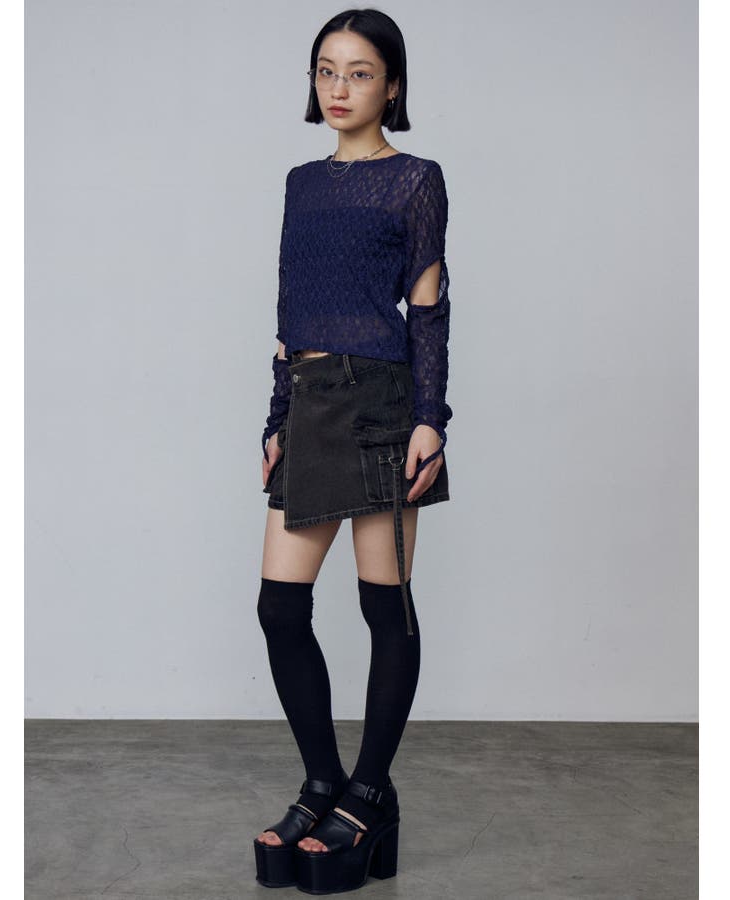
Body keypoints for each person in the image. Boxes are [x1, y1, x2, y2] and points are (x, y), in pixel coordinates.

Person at [252, 8, 453, 894]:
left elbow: (429, 305)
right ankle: (322, 783)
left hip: (381, 406)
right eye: (326, 71)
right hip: (309, 403)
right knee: (279, 608)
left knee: (384, 607)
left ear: (392, 85)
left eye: (360, 72)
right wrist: (275, 416)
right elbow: (289, 307)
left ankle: (370, 795)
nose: (339, 88)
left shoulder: (415, 180)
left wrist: (431, 418)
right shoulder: (301, 183)